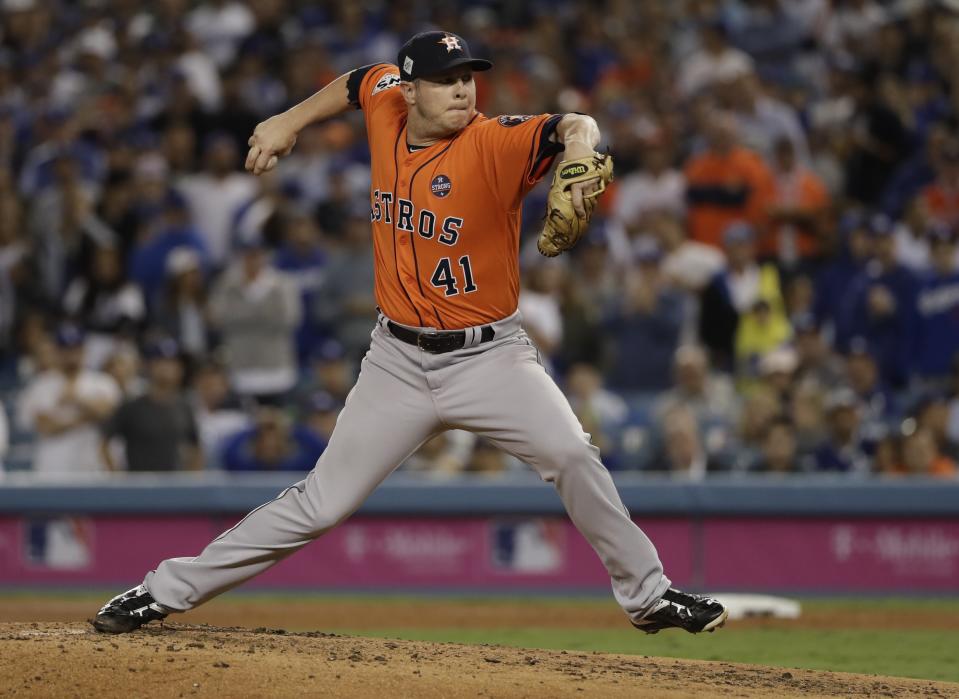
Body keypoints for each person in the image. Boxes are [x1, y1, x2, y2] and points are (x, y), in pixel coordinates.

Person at [92, 30, 726, 636]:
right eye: (446, 81)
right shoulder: (387, 104)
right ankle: (162, 592)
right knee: (320, 504)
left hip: (491, 357)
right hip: (396, 360)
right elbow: (357, 81)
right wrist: (288, 121)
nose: (463, 91)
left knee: (570, 455)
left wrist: (583, 150)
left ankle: (647, 595)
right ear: (412, 88)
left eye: (468, 78)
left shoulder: (494, 143)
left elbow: (571, 127)